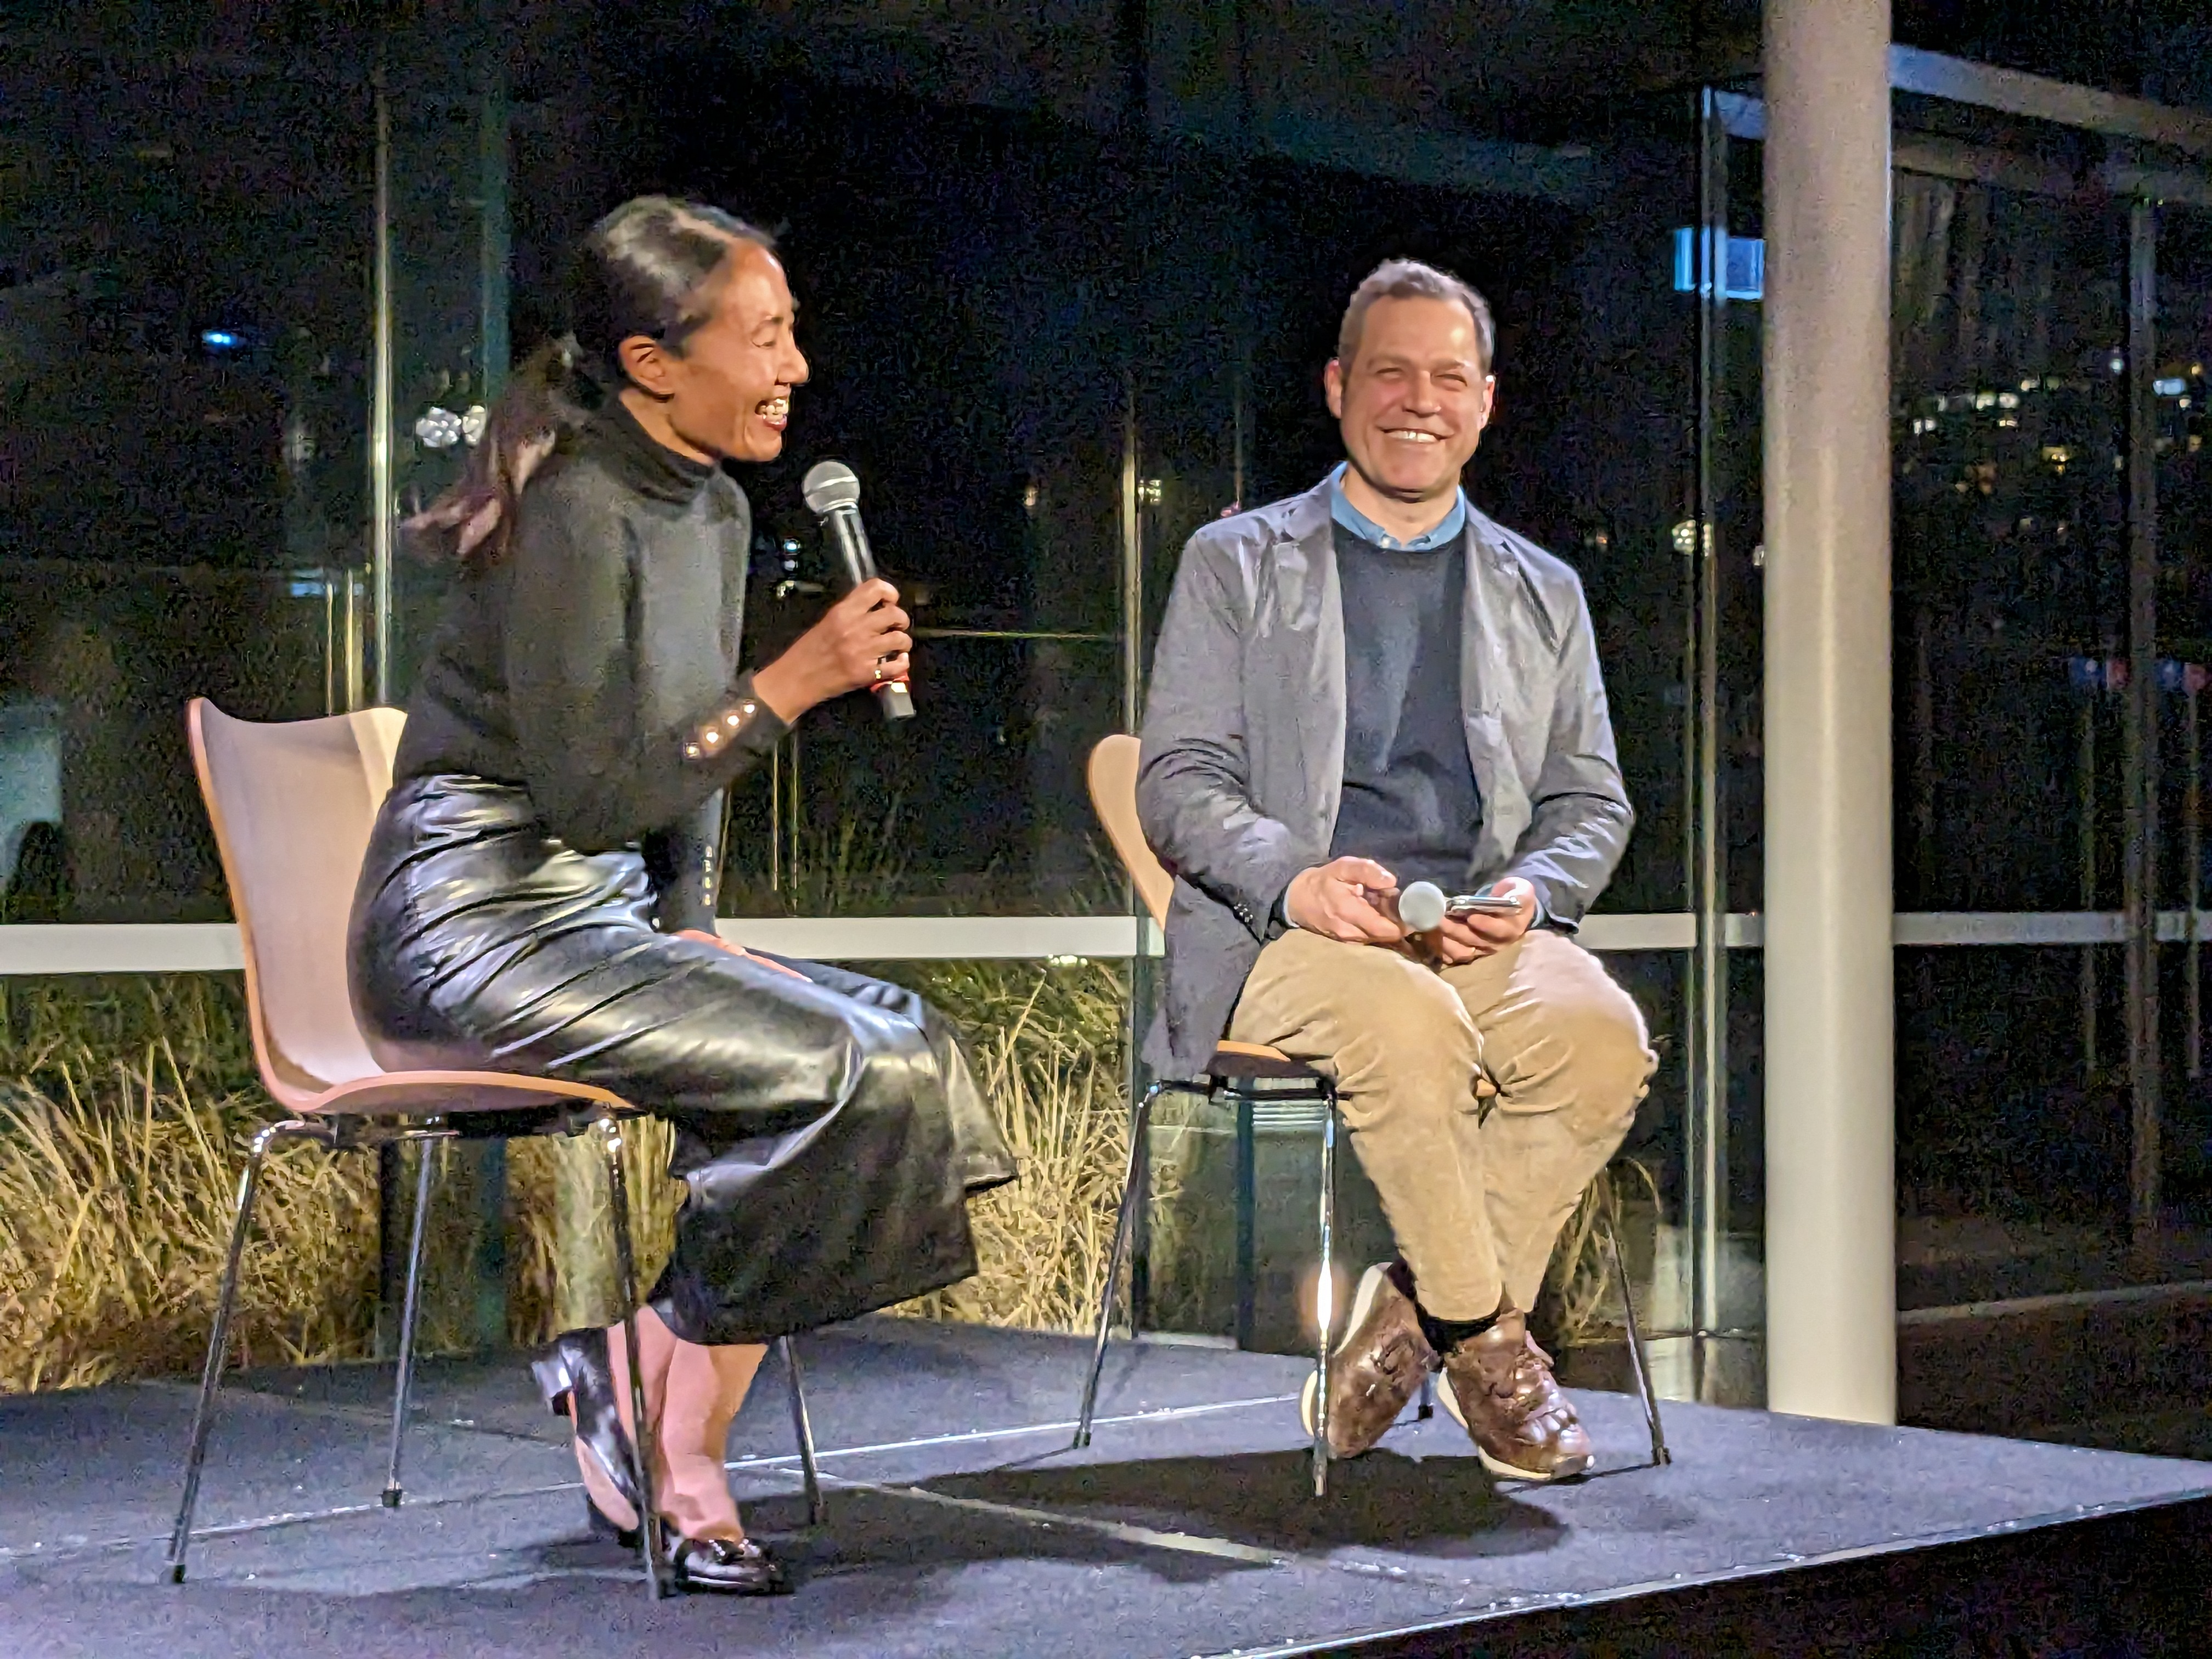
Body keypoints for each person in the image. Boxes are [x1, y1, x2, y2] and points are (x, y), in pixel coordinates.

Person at [348, 196, 1016, 1594]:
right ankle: (679, 1444)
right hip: (470, 922)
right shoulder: (576, 510)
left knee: (908, 1049)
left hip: (597, 918)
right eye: (765, 338)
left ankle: (635, 1376)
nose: (797, 368)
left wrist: (694, 918)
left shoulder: (709, 504)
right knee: (834, 1070)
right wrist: (796, 683)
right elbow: (597, 792)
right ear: (655, 364)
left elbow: (677, 760)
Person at [1137, 259, 1654, 1481]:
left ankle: (1412, 1315)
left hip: (1472, 935)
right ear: (1336, 389)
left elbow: (1593, 802)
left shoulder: (1545, 591)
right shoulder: (1239, 563)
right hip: (1287, 938)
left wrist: (1532, 892)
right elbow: (1178, 781)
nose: (1417, 399)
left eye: (1447, 377)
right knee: (1408, 1027)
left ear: (1485, 401)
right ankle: (1488, 1348)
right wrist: (1299, 881)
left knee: (1601, 1038)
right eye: (1389, 373)